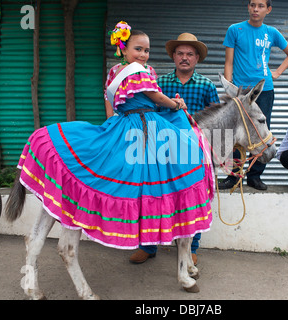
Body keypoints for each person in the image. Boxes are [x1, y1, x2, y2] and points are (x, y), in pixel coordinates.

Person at [17, 21, 214, 252]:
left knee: (160, 177)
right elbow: (150, 97)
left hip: (144, 125)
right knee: (147, 179)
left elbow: (134, 99)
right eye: (138, 49)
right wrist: (177, 104)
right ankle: (146, 244)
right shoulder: (132, 72)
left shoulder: (136, 71)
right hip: (137, 126)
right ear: (123, 49)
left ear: (196, 58)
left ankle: (180, 244)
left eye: (147, 50)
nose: (143, 54)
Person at [129, 33, 220, 265]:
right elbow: (150, 112)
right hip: (161, 148)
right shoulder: (159, 83)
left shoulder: (207, 86)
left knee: (193, 198)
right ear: (173, 57)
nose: (184, 58)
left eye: (190, 54)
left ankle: (192, 247)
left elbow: (215, 120)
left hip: (192, 151)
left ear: (197, 58)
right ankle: (148, 246)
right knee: (153, 195)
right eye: (180, 53)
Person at [219, 0, 288, 191]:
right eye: (253, 4)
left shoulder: (272, 33)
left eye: (261, 6)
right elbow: (228, 62)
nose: (256, 9)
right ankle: (233, 176)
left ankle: (255, 176)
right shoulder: (235, 30)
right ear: (248, 7)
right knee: (235, 132)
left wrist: (276, 73)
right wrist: (230, 88)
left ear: (268, 10)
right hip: (240, 91)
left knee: (260, 132)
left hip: (264, 90)